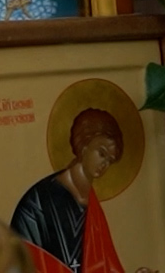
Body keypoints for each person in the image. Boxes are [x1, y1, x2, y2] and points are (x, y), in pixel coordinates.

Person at [11, 109, 153, 273]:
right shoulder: (37, 203)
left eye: (110, 160)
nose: (104, 164)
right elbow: (17, 260)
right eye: (101, 153)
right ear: (84, 145)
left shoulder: (93, 210)